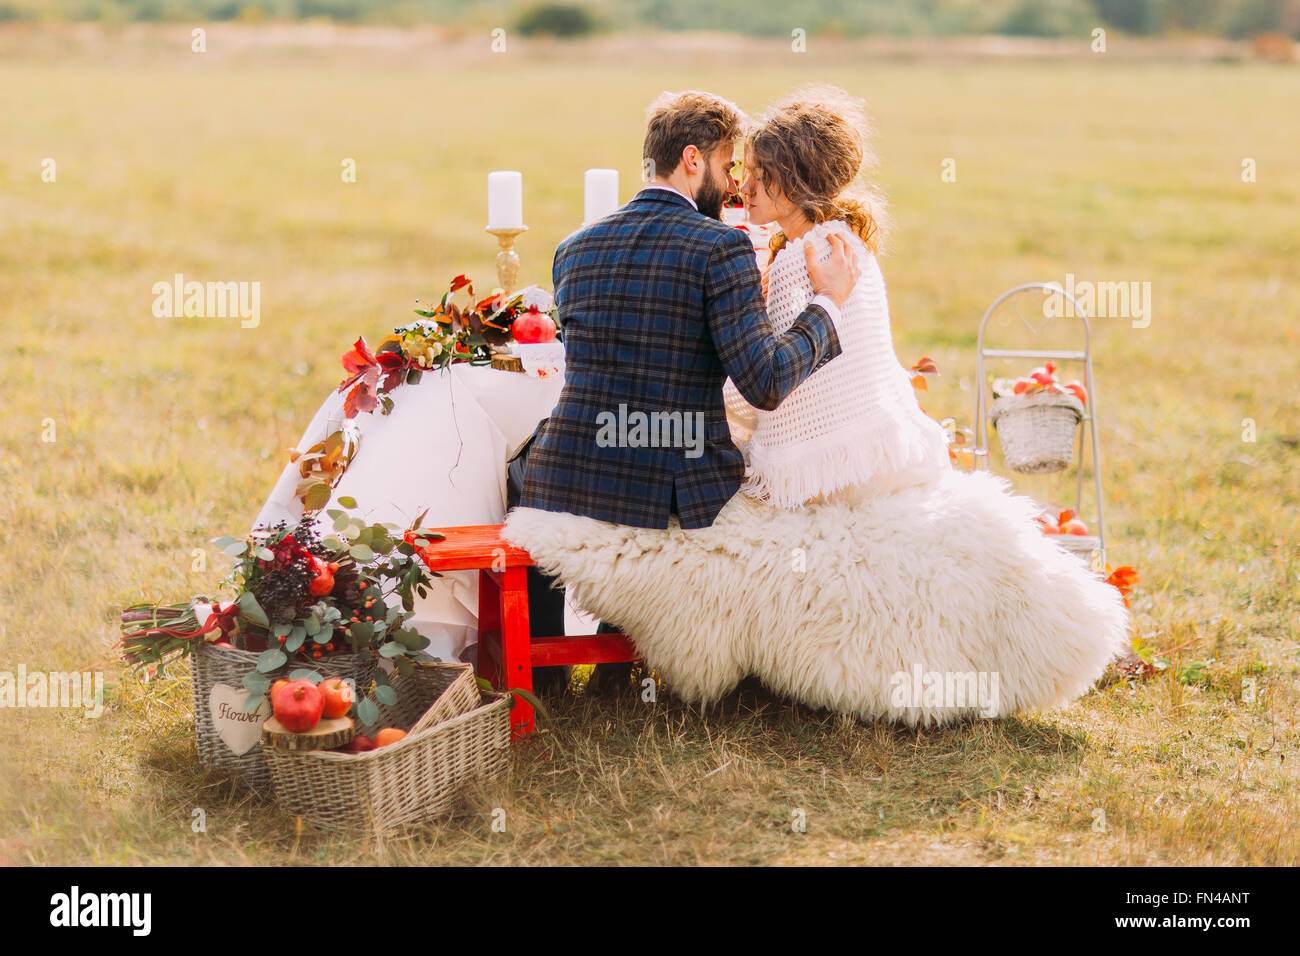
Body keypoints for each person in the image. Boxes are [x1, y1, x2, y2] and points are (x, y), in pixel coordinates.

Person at [507, 86, 1130, 725]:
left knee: (524, 465)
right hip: (683, 473)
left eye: (752, 174)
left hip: (582, 465)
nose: (737, 187)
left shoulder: (573, 246)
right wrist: (818, 307)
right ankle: (610, 669)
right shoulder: (731, 249)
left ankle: (547, 683)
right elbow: (765, 380)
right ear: (692, 160)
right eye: (731, 167)